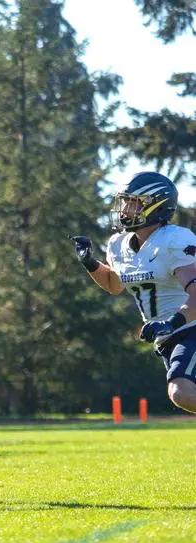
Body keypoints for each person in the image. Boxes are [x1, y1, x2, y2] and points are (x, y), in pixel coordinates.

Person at [71, 171, 196, 413]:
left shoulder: (175, 241)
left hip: (189, 328)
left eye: (134, 202)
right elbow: (113, 284)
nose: (125, 209)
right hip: (169, 337)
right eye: (125, 201)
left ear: (156, 205)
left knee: (180, 391)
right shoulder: (119, 245)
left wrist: (171, 323)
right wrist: (89, 262)